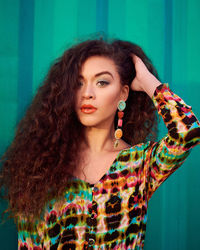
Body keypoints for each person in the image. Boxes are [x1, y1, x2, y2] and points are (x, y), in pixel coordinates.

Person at [0, 39, 200, 250]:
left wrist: (147, 81)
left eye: (102, 82)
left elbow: (188, 132)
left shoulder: (140, 163)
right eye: (78, 83)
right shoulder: (42, 166)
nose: (87, 93)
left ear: (123, 93)